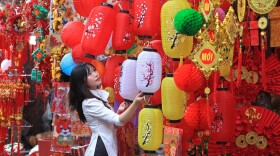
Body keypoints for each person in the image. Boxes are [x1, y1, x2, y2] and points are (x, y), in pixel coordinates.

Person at [68, 62, 148, 156]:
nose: (96, 74)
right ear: (82, 82)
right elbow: (118, 121)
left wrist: (118, 112)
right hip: (101, 148)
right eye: (89, 74)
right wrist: (136, 103)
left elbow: (113, 126)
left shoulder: (98, 97)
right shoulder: (90, 102)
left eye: (94, 70)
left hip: (107, 146)